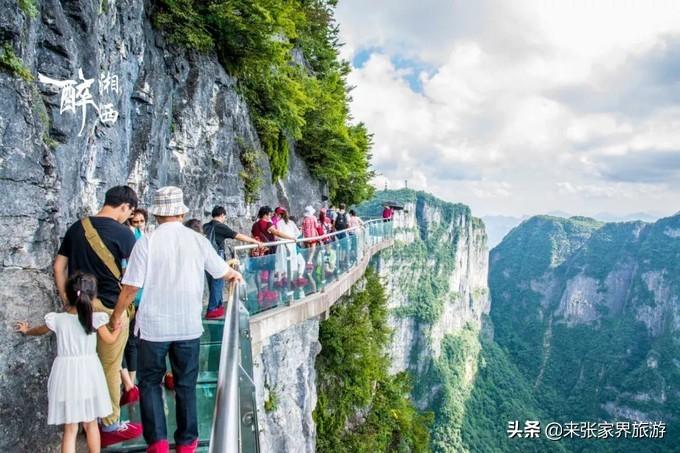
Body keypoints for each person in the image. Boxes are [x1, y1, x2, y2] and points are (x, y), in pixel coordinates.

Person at [110, 186, 243, 453]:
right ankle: (187, 443)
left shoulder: (146, 241)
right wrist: (235, 275)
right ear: (181, 212)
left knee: (149, 384)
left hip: (152, 328)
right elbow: (221, 272)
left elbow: (131, 286)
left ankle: (158, 443)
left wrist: (116, 316)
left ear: (157, 214)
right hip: (187, 327)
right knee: (185, 384)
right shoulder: (197, 241)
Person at [53, 185, 142, 446]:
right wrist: (117, 316)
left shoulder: (76, 227)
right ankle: (110, 422)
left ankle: (85, 420)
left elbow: (59, 267)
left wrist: (68, 301)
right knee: (109, 367)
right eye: (130, 211)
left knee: (83, 364)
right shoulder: (125, 235)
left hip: (80, 308)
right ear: (125, 206)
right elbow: (132, 280)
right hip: (109, 309)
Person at [15, 273, 122, 453]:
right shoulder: (95, 319)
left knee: (70, 429)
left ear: (68, 294)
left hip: (66, 375)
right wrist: (118, 329)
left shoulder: (58, 320)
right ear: (93, 296)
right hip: (89, 374)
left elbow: (38, 331)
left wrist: (26, 331)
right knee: (91, 424)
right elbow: (110, 340)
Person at [203, 206, 260, 319]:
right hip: (216, 256)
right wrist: (254, 241)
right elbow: (237, 236)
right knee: (217, 282)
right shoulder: (220, 226)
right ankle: (213, 309)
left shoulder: (205, 226)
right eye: (224, 216)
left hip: (205, 256)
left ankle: (217, 306)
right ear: (222, 215)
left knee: (212, 282)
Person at [121, 207, 149, 406]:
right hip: (129, 296)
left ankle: (131, 381)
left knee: (133, 339)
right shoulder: (128, 240)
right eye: (134, 222)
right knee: (126, 340)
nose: (138, 225)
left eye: (141, 221)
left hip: (142, 297)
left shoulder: (146, 239)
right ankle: (129, 382)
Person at [251, 206, 296, 303]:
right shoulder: (268, 223)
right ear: (265, 214)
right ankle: (269, 292)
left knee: (258, 272)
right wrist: (291, 238)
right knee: (271, 271)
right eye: (270, 214)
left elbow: (252, 237)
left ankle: (259, 293)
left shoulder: (255, 225)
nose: (271, 216)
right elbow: (277, 233)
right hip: (269, 251)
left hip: (258, 251)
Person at [273, 207, 301, 288]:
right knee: (291, 262)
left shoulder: (278, 223)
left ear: (278, 214)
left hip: (282, 245)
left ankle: (280, 281)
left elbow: (276, 236)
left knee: (281, 262)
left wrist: (280, 239)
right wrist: (292, 238)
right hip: (291, 245)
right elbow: (298, 233)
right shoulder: (291, 222)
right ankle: (290, 281)